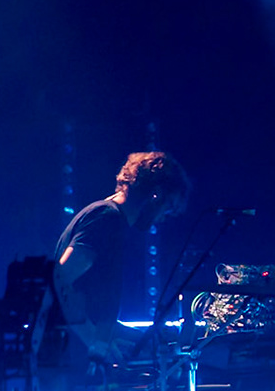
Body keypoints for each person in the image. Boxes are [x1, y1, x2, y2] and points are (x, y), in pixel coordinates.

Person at [51, 150, 192, 366]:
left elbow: (92, 310)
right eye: (168, 208)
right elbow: (58, 280)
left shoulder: (111, 219)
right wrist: (93, 342)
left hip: (68, 357)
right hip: (63, 361)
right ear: (156, 195)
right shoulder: (106, 218)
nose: (163, 219)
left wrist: (145, 340)